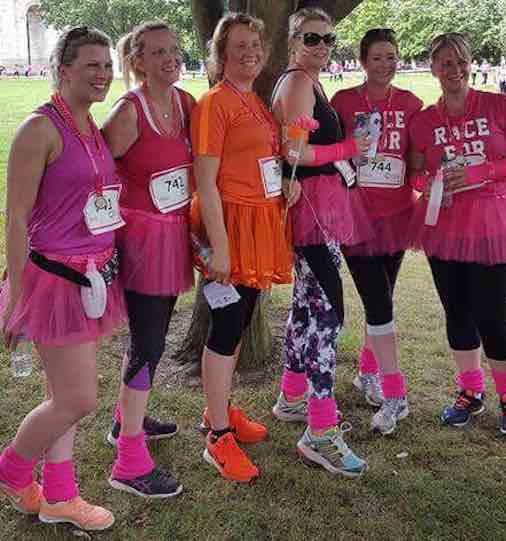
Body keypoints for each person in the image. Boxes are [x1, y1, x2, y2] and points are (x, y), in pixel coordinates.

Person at [0, 27, 126, 531]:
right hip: (53, 281)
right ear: (64, 69)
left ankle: (58, 496)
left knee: (60, 399)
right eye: (92, 65)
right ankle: (11, 470)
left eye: (107, 65)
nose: (103, 74)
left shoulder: (88, 125)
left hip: (91, 279)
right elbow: (15, 218)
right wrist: (17, 300)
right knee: (78, 399)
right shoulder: (40, 128)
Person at [408, 32, 506, 438]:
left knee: (493, 316)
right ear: (433, 69)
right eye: (446, 63)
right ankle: (470, 391)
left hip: (494, 223)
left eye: (461, 61)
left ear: (471, 63)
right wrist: (426, 183)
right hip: (444, 226)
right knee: (457, 312)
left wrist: (482, 172)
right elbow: (413, 172)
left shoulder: (501, 106)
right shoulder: (424, 121)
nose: (455, 70)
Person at [189, 12, 295, 483]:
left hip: (261, 221)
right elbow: (205, 183)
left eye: (256, 44)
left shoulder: (253, 101)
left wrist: (284, 189)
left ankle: (221, 411)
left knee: (238, 321)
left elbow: (260, 161)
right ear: (221, 53)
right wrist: (221, 247)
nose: (250, 51)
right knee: (226, 325)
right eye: (239, 46)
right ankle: (216, 436)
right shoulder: (214, 103)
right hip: (230, 226)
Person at [270, 7, 370, 477]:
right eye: (312, 38)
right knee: (329, 312)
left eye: (329, 39)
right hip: (310, 211)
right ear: (293, 41)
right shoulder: (295, 83)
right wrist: (349, 149)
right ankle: (320, 431)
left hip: (318, 210)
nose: (323, 46)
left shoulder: (309, 82)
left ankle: (292, 396)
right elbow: (294, 152)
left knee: (308, 306)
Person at [102, 21, 195, 498]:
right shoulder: (128, 110)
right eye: (158, 52)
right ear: (138, 61)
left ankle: (125, 421)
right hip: (140, 241)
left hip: (174, 235)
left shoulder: (184, 103)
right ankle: (128, 462)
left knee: (150, 333)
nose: (171, 58)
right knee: (149, 341)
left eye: (175, 50)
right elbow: (96, 172)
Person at [331, 28, 423, 434]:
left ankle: (367, 372)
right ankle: (395, 394)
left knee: (382, 296)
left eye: (392, 56)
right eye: (377, 57)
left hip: (398, 215)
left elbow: (416, 160)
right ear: (363, 61)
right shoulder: (344, 101)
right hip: (356, 216)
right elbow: (331, 154)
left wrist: (433, 180)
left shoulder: (411, 103)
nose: (385, 64)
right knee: (379, 301)